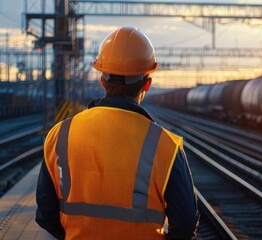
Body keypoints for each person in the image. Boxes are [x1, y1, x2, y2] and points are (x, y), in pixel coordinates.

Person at [35, 26, 199, 240]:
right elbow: (185, 226)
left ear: (103, 81)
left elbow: (46, 216)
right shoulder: (166, 146)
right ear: (147, 84)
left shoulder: (60, 134)